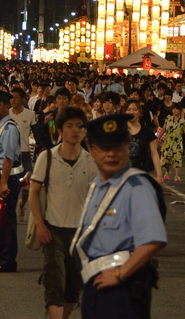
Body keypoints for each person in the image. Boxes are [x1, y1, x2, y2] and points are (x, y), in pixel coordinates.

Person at [70, 113, 167, 319]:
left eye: (118, 146)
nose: (111, 154)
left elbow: (153, 239)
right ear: (90, 148)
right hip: (95, 284)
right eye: (104, 148)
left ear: (128, 144)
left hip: (122, 289)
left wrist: (120, 274)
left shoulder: (136, 187)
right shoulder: (97, 184)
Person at [30, 107, 99, 319]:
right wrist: (40, 225)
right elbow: (34, 192)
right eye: (69, 126)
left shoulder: (91, 161)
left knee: (73, 290)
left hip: (80, 235)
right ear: (60, 129)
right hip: (53, 231)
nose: (75, 130)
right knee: (55, 285)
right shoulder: (47, 157)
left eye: (80, 125)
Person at [0, 88, 23, 273]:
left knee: (5, 221)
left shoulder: (9, 128)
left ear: (6, 106)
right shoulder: (1, 125)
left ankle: (7, 260)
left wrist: (3, 183)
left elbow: (8, 158)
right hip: (0, 178)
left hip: (6, 179)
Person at [10, 86, 37, 217]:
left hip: (25, 154)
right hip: (10, 156)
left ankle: (22, 205)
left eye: (16, 97)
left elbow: (36, 133)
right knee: (11, 185)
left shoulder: (30, 115)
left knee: (26, 185)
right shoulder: (7, 113)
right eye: (12, 97)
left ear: (22, 99)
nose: (13, 100)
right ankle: (11, 209)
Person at [124, 99, 163, 185]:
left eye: (135, 109)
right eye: (129, 109)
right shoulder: (120, 131)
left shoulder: (147, 131)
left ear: (140, 112)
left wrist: (159, 175)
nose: (132, 112)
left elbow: (154, 153)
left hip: (142, 175)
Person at [161, 104, 185, 182]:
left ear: (180, 111)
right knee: (166, 158)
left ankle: (177, 176)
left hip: (177, 142)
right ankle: (168, 171)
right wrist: (158, 137)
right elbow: (164, 128)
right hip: (168, 142)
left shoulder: (183, 121)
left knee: (177, 158)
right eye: (173, 109)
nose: (174, 110)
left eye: (177, 109)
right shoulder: (168, 118)